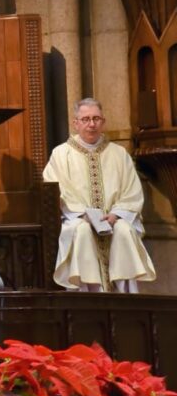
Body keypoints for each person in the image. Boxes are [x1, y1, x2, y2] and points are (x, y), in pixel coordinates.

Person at [42, 98, 156, 292]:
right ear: (75, 123)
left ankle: (125, 301)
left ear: (103, 121)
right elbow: (57, 191)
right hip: (78, 219)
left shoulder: (119, 154)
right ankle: (88, 298)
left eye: (96, 118)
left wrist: (117, 214)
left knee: (124, 231)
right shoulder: (61, 154)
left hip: (114, 218)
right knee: (82, 231)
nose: (91, 124)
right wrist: (82, 214)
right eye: (85, 119)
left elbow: (132, 191)